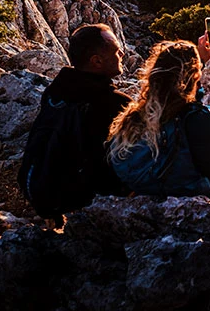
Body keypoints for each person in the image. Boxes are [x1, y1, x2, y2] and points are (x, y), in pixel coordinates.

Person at [107, 31, 210, 196]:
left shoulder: (135, 116)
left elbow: (173, 80)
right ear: (195, 77)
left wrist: (198, 63)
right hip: (195, 200)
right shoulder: (204, 118)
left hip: (145, 196)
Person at [18, 23, 130, 218]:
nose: (122, 54)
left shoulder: (56, 92)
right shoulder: (113, 103)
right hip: (80, 199)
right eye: (117, 51)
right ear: (97, 61)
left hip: (40, 190)